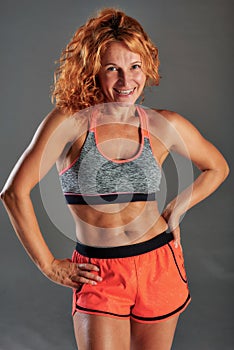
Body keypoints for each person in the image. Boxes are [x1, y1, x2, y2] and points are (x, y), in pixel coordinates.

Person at [0, 7, 229, 350]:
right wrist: (48, 265)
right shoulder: (72, 123)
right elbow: (14, 193)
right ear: (93, 71)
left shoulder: (163, 125)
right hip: (100, 274)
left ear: (146, 66)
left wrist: (176, 208)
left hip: (158, 265)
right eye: (113, 69)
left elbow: (218, 167)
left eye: (134, 67)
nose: (126, 81)